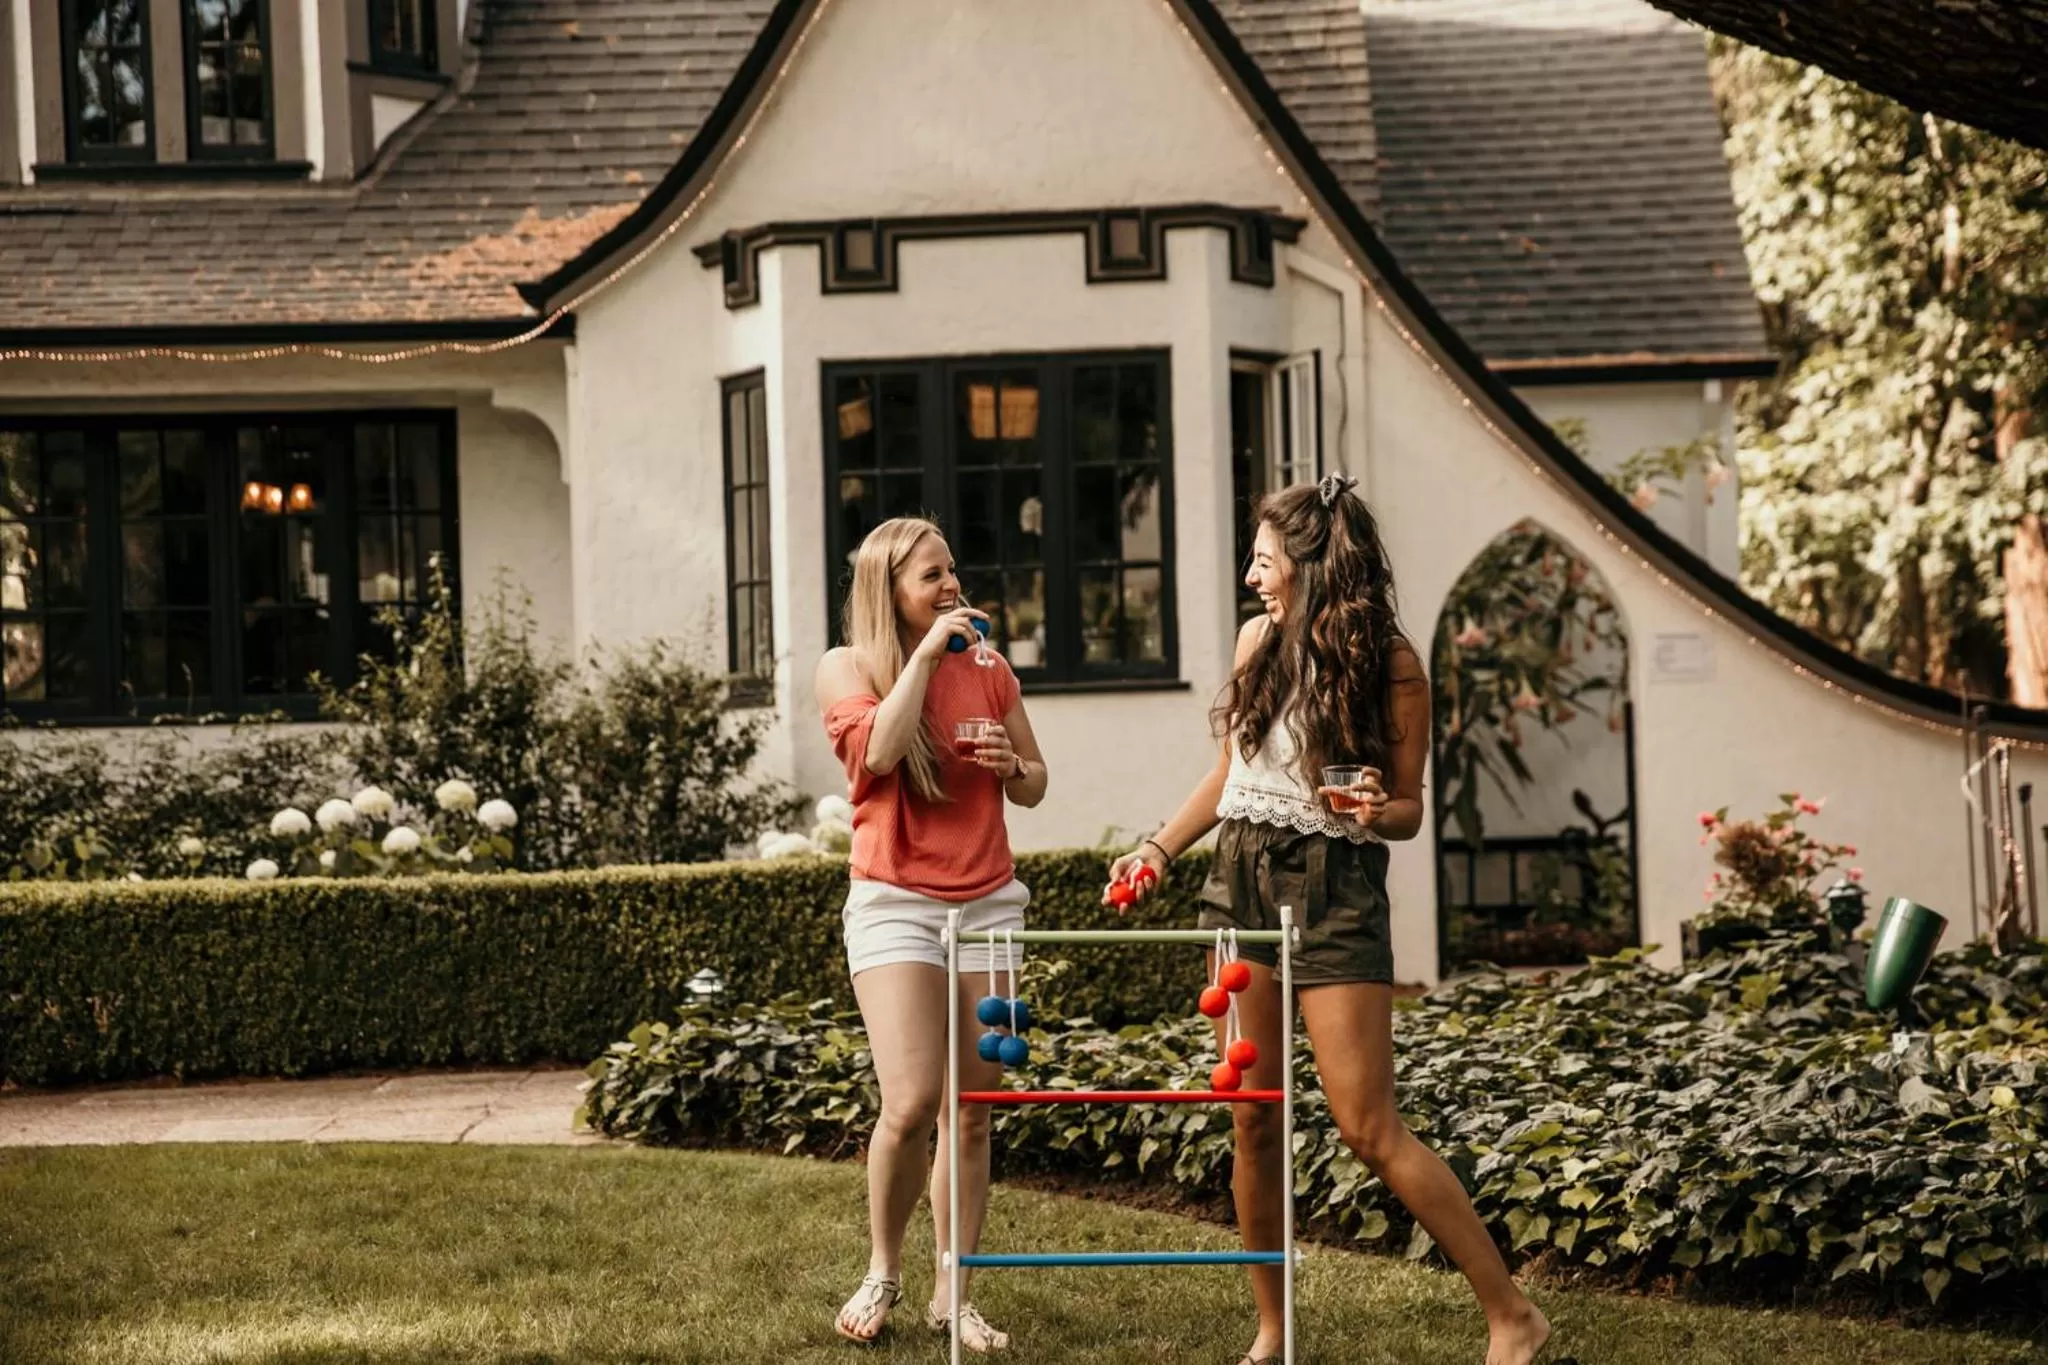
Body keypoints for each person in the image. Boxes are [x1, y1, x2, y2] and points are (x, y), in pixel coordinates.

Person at [1105, 474, 1551, 1365]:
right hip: (1239, 873)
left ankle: (1513, 1315)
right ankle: (1272, 1328)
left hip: (1336, 883)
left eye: (1266, 560)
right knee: (1251, 1114)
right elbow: (1231, 775)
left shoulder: (1391, 664)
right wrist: (1159, 848)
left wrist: (1374, 805)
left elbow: (1409, 810)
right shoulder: (1255, 639)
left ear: (1311, 563)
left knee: (1366, 1122)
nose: (1252, 575)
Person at [814, 515, 1050, 1353]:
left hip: (990, 902)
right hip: (895, 902)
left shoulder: (989, 664)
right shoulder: (847, 666)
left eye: (953, 571)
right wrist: (926, 657)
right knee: (911, 1101)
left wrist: (1009, 768)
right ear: (890, 590)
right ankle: (884, 1267)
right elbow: (875, 752)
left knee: (975, 1109)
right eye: (932, 578)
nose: (953, 587)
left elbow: (1037, 784)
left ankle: (957, 1290)